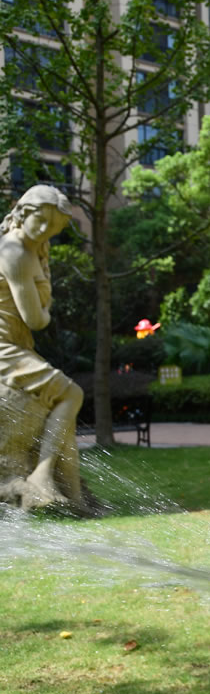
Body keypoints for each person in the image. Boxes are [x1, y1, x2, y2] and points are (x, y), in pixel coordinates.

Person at [0, 185, 83, 508]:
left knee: (65, 401)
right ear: (23, 213)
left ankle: (73, 496)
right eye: (42, 220)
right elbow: (35, 319)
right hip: (5, 350)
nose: (46, 230)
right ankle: (42, 475)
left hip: (15, 346)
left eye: (54, 227)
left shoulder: (29, 248)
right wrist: (47, 308)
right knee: (72, 394)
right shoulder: (15, 253)